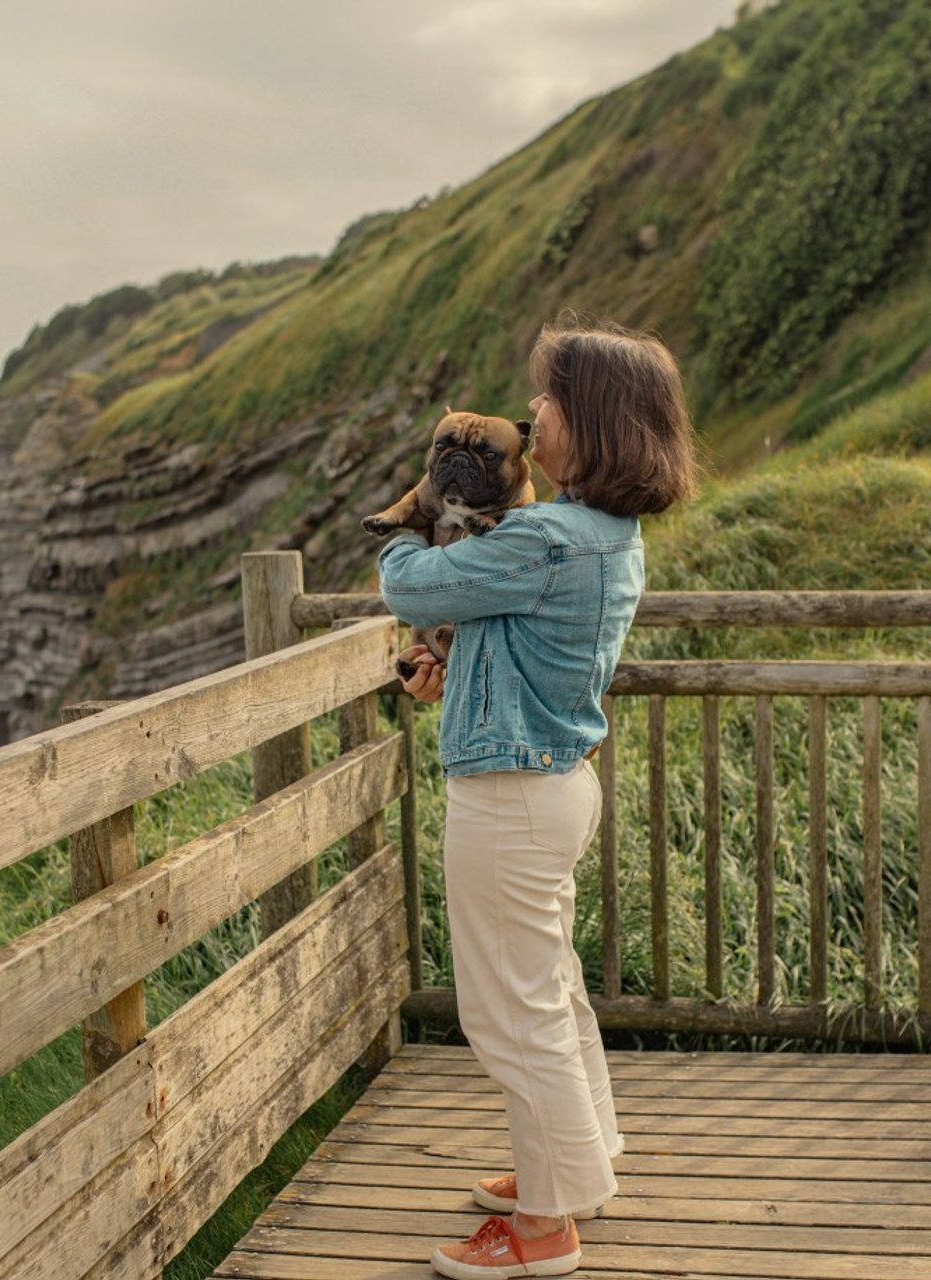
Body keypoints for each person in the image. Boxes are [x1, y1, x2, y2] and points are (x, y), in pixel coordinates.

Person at [377, 319, 698, 1279]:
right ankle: (579, 1162)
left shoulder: (546, 537)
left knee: (510, 1014)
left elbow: (408, 578)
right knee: (547, 992)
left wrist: (419, 507)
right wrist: (447, 663)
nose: (534, 412)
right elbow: (504, 636)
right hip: (551, 780)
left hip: (510, 798)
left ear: (589, 420)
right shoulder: (604, 532)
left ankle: (548, 1227)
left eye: (546, 400)